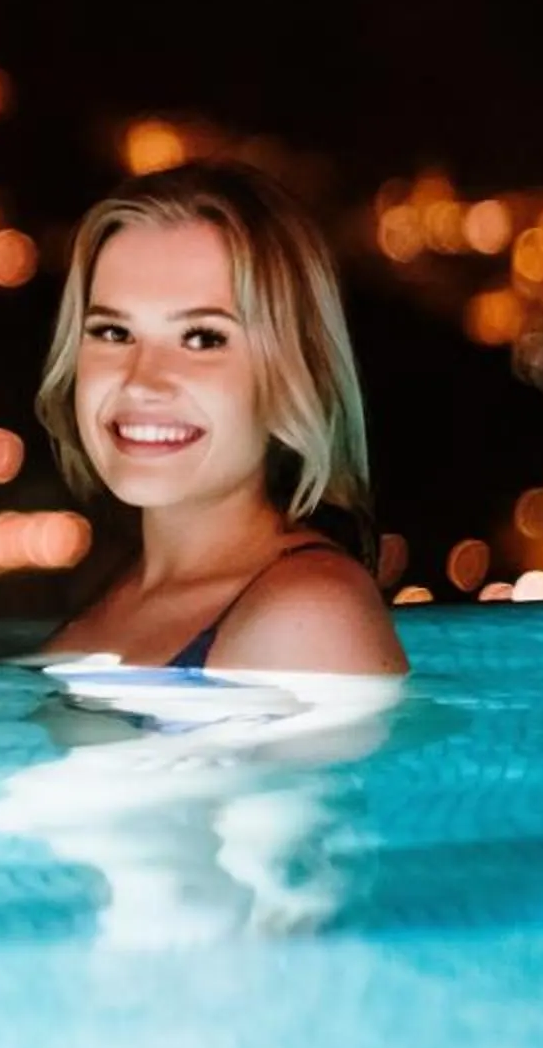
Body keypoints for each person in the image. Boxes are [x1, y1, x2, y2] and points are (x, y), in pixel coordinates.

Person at [32, 162, 405, 675]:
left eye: (203, 338)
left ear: (292, 375)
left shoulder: (309, 615)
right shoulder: (115, 588)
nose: (142, 380)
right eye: (114, 333)